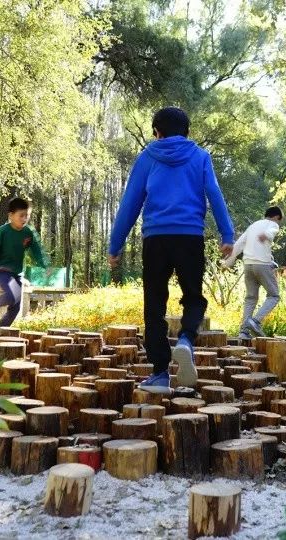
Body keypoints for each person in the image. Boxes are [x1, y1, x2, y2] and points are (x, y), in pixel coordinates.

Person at [108, 107, 234, 390]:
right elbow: (215, 194)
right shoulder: (200, 157)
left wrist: (115, 245)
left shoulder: (148, 157)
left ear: (157, 133)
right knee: (193, 297)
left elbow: (130, 203)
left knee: (154, 304)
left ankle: (160, 374)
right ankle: (187, 339)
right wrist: (227, 234)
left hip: (156, 240)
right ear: (187, 133)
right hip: (190, 238)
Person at [0, 197, 52, 332]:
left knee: (16, 307)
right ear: (11, 216)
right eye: (21, 216)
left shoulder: (27, 232)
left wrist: (45, 264)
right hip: (1, 271)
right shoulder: (3, 231)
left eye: (27, 216)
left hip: (16, 273)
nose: (24, 219)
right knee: (14, 295)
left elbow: (37, 249)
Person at [223, 206, 283, 340]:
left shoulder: (253, 225)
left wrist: (227, 262)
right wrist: (266, 235)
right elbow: (272, 231)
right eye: (279, 221)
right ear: (276, 217)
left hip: (248, 265)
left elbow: (238, 244)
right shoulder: (273, 224)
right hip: (262, 264)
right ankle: (255, 321)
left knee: (250, 298)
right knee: (274, 295)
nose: (279, 223)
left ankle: (244, 332)